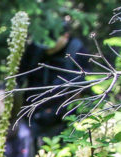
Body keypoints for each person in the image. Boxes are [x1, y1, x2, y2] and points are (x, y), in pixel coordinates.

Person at [20, 13, 92, 147]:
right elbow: (19, 76)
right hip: (33, 117)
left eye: (53, 41)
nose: (48, 46)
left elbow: (88, 83)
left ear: (65, 36)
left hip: (64, 119)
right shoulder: (35, 50)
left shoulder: (78, 51)